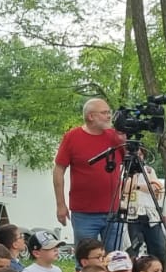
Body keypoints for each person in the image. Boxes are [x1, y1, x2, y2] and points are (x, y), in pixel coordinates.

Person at [53, 98, 127, 252]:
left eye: (109, 112)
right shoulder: (72, 137)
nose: (109, 116)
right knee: (85, 258)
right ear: (91, 116)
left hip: (113, 211)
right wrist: (61, 204)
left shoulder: (115, 136)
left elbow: (134, 159)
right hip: (84, 212)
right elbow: (59, 170)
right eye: (104, 112)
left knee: (114, 258)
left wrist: (124, 139)